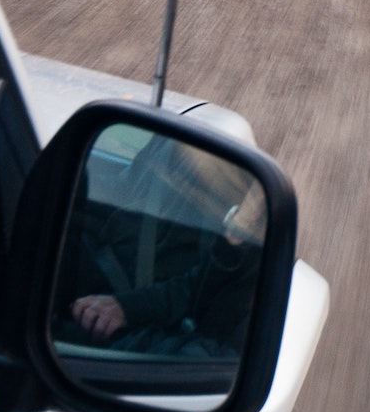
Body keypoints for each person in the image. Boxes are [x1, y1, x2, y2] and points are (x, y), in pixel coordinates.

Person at [68, 140, 265, 358]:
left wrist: (128, 308)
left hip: (129, 298)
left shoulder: (232, 171)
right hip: (109, 273)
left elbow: (197, 295)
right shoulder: (171, 141)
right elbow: (125, 186)